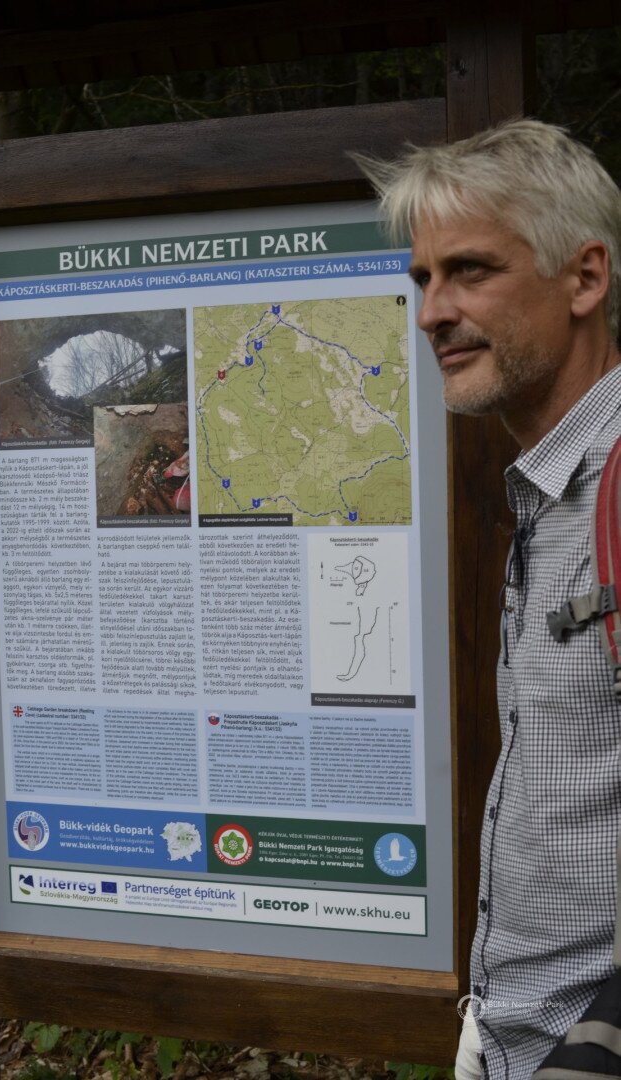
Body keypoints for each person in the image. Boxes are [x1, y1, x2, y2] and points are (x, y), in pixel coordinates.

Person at [355, 119, 621, 1079]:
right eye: (423, 279)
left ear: (584, 278)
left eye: (470, 270)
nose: (432, 312)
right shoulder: (554, 489)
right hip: (514, 1039)